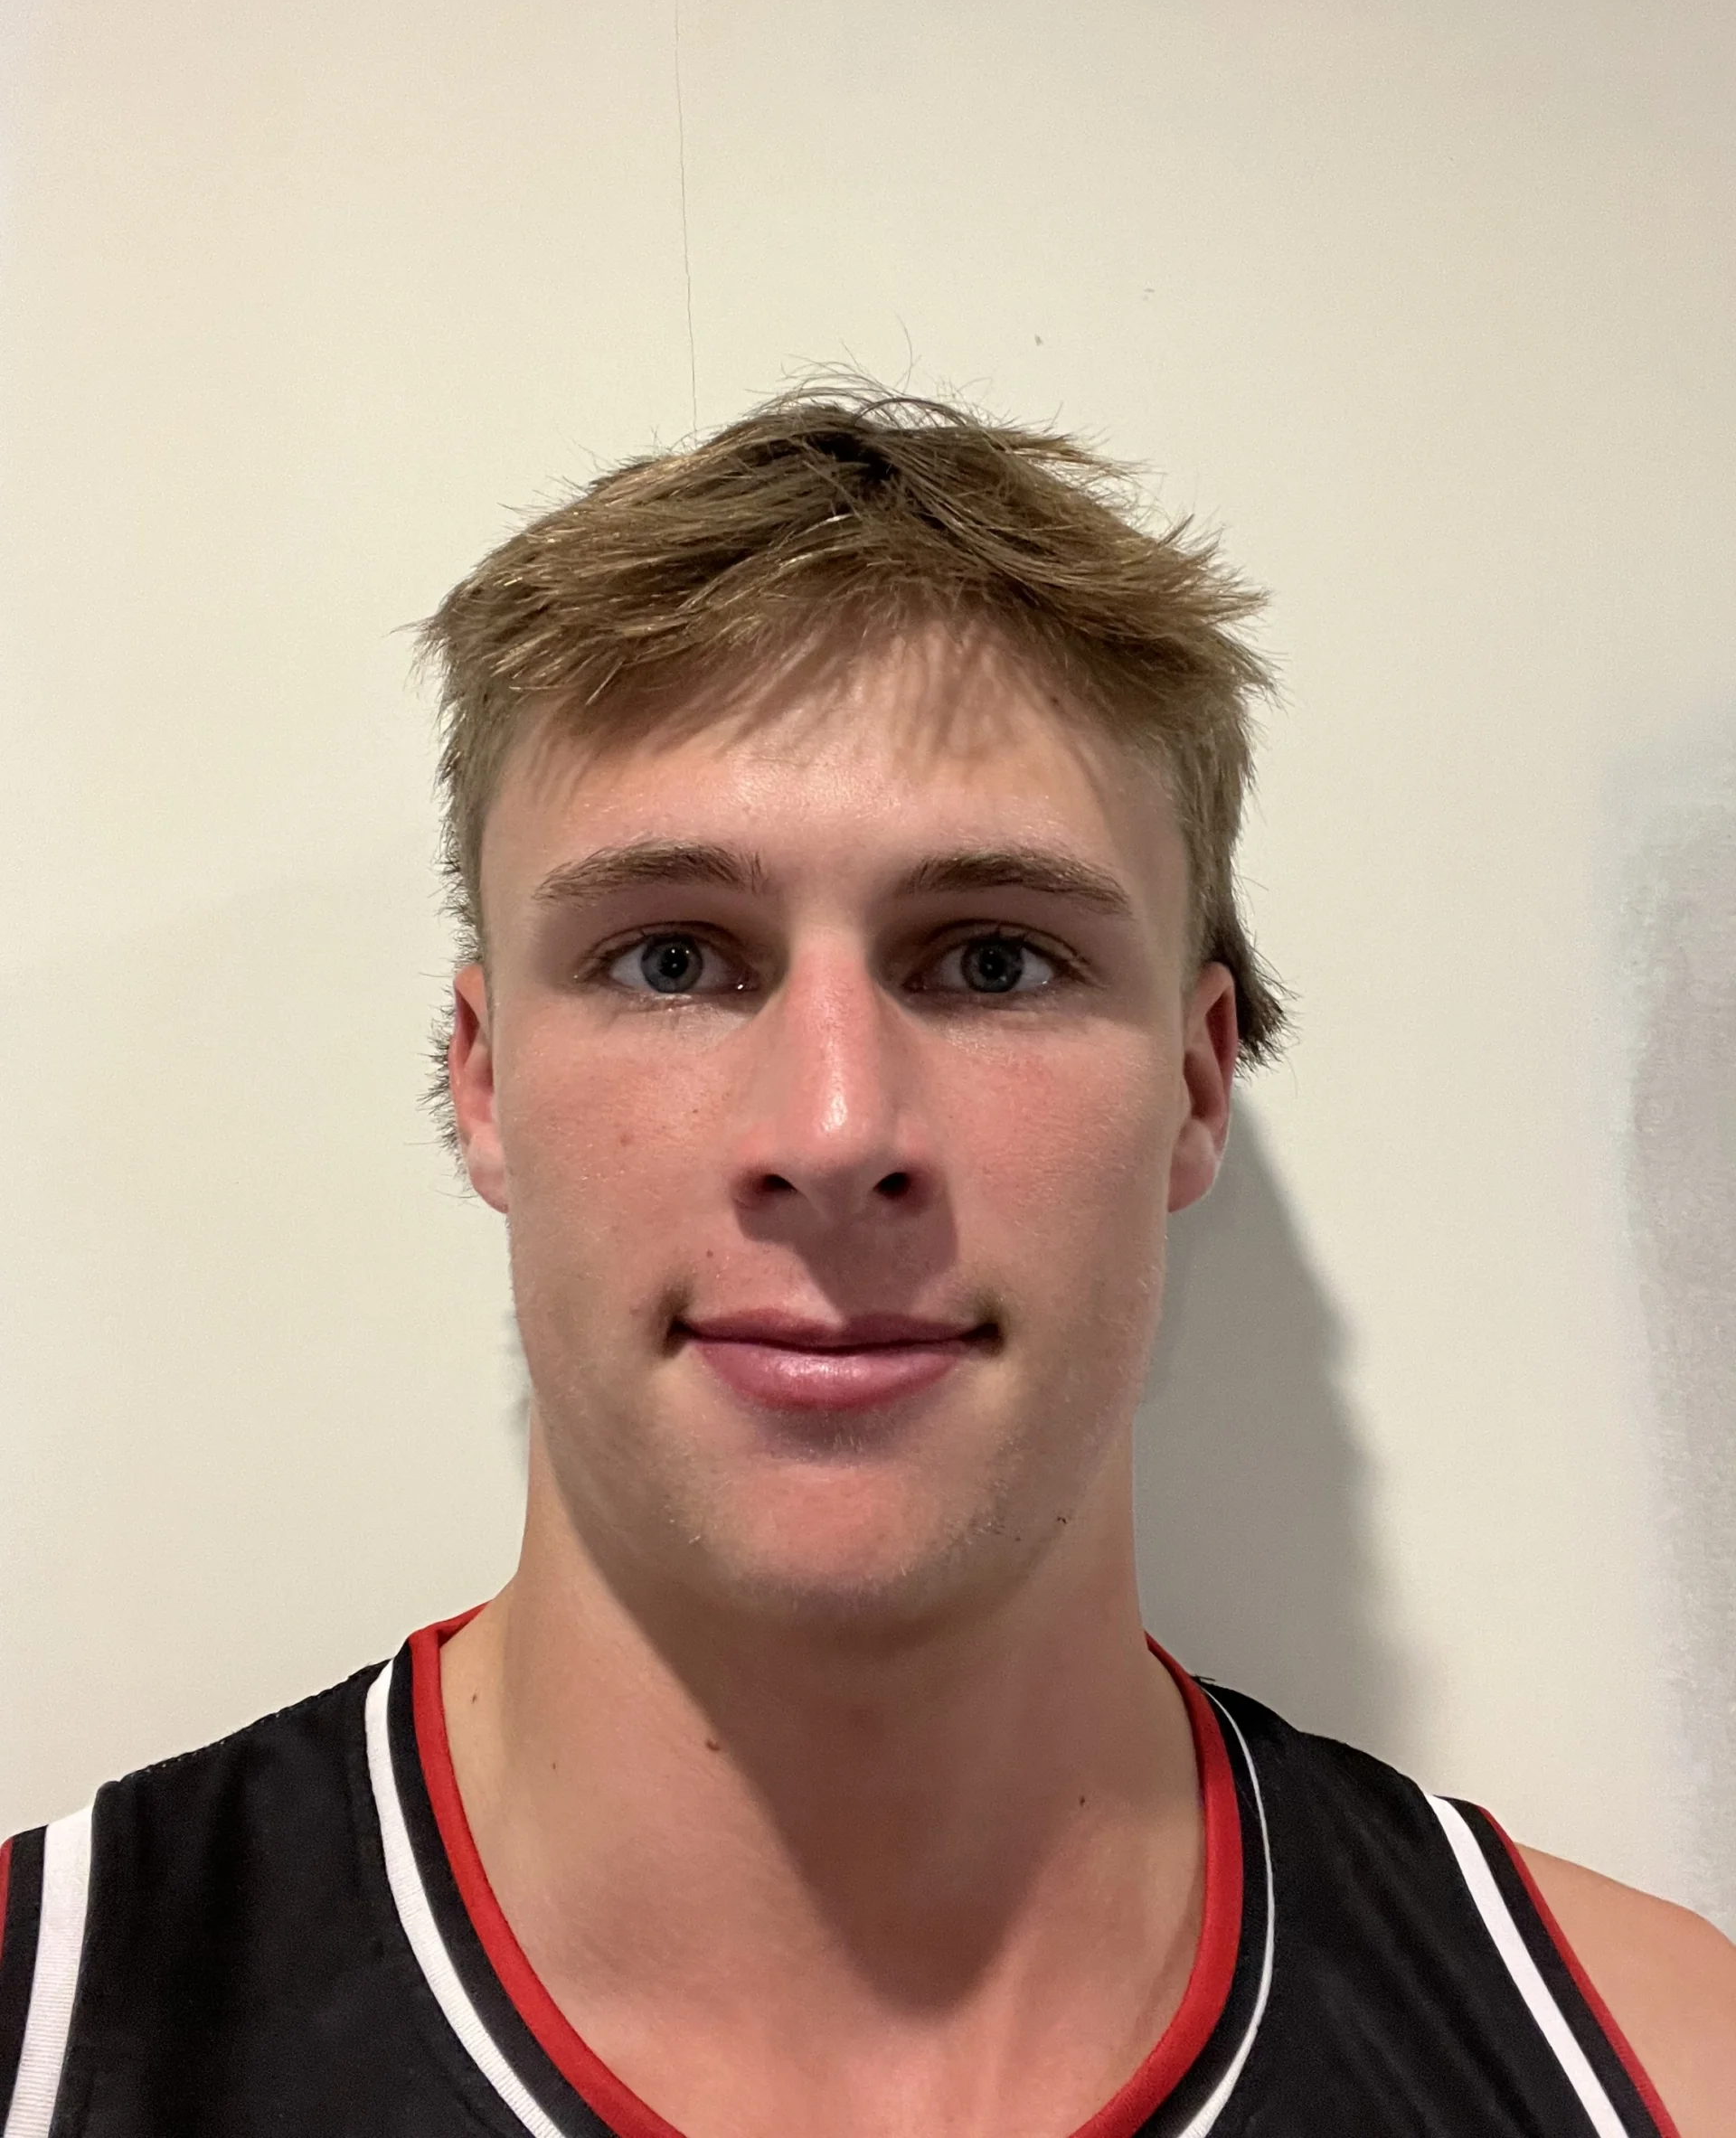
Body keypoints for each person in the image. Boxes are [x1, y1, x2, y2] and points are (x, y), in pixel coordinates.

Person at [2, 387, 1731, 2138]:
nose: (834, 1129)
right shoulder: (46, 2020)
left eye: (992, 961)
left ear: (1198, 1084)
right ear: (486, 1079)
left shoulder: (1663, 2072)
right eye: (673, 960)